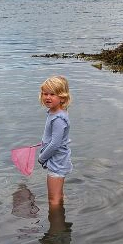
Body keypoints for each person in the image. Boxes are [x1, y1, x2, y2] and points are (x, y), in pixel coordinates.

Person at [38, 75, 73, 206]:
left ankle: (56, 224)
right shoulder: (57, 112)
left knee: (53, 200)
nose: (47, 97)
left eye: (52, 94)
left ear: (62, 97)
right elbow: (56, 138)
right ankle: (63, 212)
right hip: (59, 160)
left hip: (57, 163)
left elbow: (55, 144)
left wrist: (41, 157)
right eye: (45, 93)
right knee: (58, 195)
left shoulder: (58, 118)